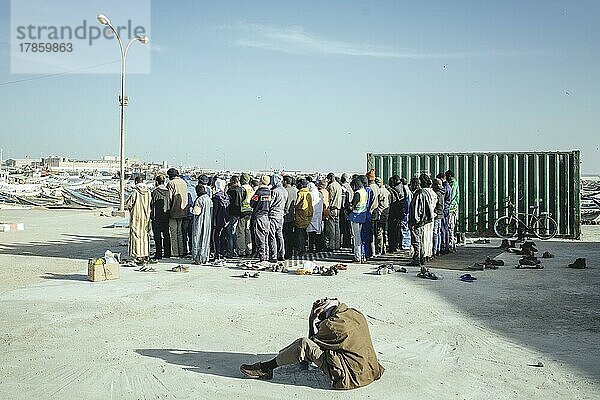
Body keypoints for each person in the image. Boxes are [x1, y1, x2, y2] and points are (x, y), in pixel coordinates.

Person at [240, 298, 384, 390]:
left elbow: (310, 341)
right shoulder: (355, 313)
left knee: (302, 345)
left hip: (351, 377)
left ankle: (266, 368)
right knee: (305, 346)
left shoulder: (331, 325)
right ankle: (281, 359)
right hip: (370, 370)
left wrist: (311, 319)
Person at [408, 175, 433, 266]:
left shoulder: (418, 194)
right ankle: (421, 258)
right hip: (422, 222)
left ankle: (417, 259)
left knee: (416, 241)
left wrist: (414, 222)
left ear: (415, 185)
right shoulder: (424, 193)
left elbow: (416, 210)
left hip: (417, 223)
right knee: (421, 240)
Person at [125, 176, 151, 263]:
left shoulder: (135, 192)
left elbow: (129, 204)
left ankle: (137, 254)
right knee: (145, 235)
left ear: (136, 182)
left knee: (136, 235)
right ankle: (145, 253)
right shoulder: (148, 192)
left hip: (136, 216)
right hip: (146, 216)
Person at [166, 168, 188, 257]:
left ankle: (175, 252)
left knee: (173, 233)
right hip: (183, 210)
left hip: (173, 211)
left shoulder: (171, 183)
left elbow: (169, 198)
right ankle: (181, 251)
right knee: (180, 232)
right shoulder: (184, 182)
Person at [250, 175, 272, 262]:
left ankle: (262, 257)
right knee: (266, 237)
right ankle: (266, 255)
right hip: (267, 216)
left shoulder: (258, 193)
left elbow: (252, 203)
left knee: (260, 237)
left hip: (258, 216)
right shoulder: (270, 192)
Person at [348, 177, 369, 263]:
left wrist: (349, 206)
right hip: (362, 215)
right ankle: (362, 256)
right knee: (360, 237)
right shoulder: (364, 191)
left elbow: (352, 206)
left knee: (356, 238)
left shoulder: (357, 193)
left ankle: (357, 257)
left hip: (355, 216)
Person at [150, 175, 171, 259]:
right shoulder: (168, 191)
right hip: (166, 216)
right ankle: (167, 253)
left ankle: (158, 254)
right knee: (166, 235)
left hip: (157, 216)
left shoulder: (155, 192)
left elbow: (152, 204)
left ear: (156, 182)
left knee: (157, 236)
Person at [191, 183, 213, 264]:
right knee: (205, 240)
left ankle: (197, 259)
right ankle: (205, 258)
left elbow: (196, 212)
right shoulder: (209, 199)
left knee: (197, 239)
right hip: (208, 223)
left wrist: (190, 208)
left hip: (200, 223)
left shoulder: (199, 200)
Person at [268, 175, 288, 262]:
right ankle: (281, 254)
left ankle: (273, 255)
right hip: (281, 216)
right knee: (280, 236)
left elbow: (270, 204)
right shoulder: (285, 191)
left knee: (272, 236)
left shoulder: (274, 191)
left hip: (273, 215)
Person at [237, 173, 254, 257]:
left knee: (241, 232)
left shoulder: (241, 189)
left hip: (242, 212)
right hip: (250, 211)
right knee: (248, 231)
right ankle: (249, 249)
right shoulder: (251, 189)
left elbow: (239, 201)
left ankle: (241, 250)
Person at [226, 175, 244, 257]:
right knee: (235, 232)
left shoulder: (231, 190)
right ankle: (236, 250)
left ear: (233, 181)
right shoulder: (242, 190)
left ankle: (231, 252)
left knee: (230, 233)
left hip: (231, 212)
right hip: (239, 212)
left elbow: (227, 201)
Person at [212, 178, 229, 260]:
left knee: (216, 237)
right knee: (223, 237)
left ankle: (217, 254)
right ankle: (222, 252)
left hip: (218, 220)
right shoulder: (226, 197)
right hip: (225, 220)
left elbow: (214, 211)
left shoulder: (216, 198)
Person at [294, 178, 313, 254]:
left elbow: (296, 204)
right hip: (308, 216)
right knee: (305, 234)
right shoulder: (308, 193)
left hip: (300, 216)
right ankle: (304, 248)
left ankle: (301, 249)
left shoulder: (300, 193)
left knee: (300, 234)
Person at [421, 175, 437, 261]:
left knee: (423, 237)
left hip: (424, 217)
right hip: (432, 216)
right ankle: (428, 254)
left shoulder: (422, 192)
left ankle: (423, 254)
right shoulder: (433, 193)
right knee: (429, 236)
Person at [181, 175, 198, 257]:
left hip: (186, 215)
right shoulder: (194, 188)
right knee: (191, 234)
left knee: (184, 234)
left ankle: (185, 250)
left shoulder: (184, 189)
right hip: (193, 215)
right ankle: (192, 249)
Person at [325, 173, 342, 251]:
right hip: (338, 208)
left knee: (331, 228)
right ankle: (337, 245)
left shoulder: (331, 186)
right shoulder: (339, 185)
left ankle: (331, 246)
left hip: (332, 208)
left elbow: (330, 198)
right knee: (337, 228)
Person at [387, 175, 403, 253]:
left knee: (391, 231)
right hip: (397, 214)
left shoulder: (391, 191)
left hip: (392, 214)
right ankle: (396, 245)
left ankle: (392, 247)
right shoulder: (398, 190)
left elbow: (389, 204)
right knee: (396, 231)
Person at [282, 176, 297, 258]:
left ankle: (286, 253)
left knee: (285, 236)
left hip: (285, 216)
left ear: (285, 182)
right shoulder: (294, 190)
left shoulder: (285, 191)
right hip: (292, 215)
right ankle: (290, 252)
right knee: (290, 235)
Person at [307, 180, 323, 252]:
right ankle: (318, 248)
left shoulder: (309, 194)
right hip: (318, 216)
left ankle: (310, 249)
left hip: (311, 215)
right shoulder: (320, 194)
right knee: (318, 233)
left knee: (311, 234)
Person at [366, 169, 380, 258]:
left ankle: (372, 252)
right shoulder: (377, 187)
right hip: (376, 211)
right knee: (375, 232)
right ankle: (376, 251)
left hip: (371, 211)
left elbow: (370, 201)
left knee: (370, 233)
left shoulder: (370, 188)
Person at [375, 177, 390, 255]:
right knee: (385, 233)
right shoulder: (387, 191)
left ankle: (380, 249)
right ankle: (384, 248)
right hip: (386, 214)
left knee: (379, 233)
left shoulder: (380, 192)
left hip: (380, 214)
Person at [437, 172, 451, 254]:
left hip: (443, 209)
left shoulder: (444, 187)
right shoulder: (448, 186)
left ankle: (443, 246)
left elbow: (442, 199)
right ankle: (446, 246)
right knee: (445, 228)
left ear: (442, 178)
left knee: (442, 228)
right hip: (446, 208)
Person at [446, 170, 460, 252]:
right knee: (451, 228)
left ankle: (451, 245)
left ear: (450, 176)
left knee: (450, 227)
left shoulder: (453, 184)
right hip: (454, 208)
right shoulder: (454, 183)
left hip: (452, 209)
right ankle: (452, 245)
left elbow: (451, 196)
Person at [339, 173, 353, 248]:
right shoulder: (350, 187)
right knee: (348, 227)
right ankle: (348, 242)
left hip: (344, 209)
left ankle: (345, 242)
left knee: (344, 227)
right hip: (349, 209)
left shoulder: (343, 187)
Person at [432, 178, 445, 257]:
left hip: (437, 214)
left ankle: (435, 250)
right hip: (440, 214)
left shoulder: (437, 193)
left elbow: (437, 205)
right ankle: (438, 249)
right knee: (438, 233)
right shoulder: (442, 192)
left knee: (435, 233)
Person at [400, 178, 412, 251]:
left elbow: (407, 202)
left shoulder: (405, 190)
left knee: (405, 228)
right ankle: (407, 244)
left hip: (406, 212)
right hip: (408, 212)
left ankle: (405, 244)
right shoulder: (408, 190)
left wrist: (405, 212)